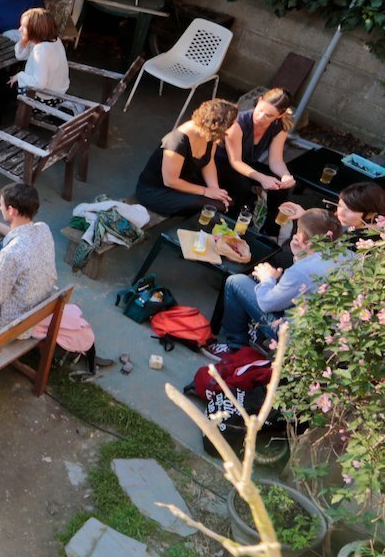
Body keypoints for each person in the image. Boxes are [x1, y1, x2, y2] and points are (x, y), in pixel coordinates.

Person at [206, 208, 343, 358]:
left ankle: (235, 347)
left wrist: (267, 279)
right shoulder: (347, 256)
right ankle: (255, 335)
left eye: (298, 231)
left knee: (236, 281)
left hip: (293, 334)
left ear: (304, 238)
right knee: (263, 280)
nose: (296, 234)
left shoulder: (302, 271)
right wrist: (298, 254)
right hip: (325, 331)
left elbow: (267, 303)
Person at [0, 182, 58, 328]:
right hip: (40, 307)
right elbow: (20, 234)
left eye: (1, 205)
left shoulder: (10, 255)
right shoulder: (43, 228)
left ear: (11, 210)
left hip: (12, 323)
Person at [133, 99, 238, 217]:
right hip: (158, 191)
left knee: (227, 202)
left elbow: (208, 162)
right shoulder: (177, 142)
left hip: (185, 182)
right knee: (216, 207)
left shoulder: (209, 135)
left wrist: (215, 189)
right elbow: (170, 181)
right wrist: (206, 191)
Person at [0, 7, 69, 123]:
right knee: (1, 81)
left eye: (24, 27)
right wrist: (25, 40)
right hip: (56, 95)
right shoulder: (52, 40)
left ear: (35, 29)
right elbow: (20, 55)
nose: (19, 29)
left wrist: (20, 76)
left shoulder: (41, 50)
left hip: (43, 100)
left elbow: (40, 83)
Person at [215, 89, 296, 234]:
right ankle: (230, 224)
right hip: (223, 163)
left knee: (280, 185)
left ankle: (271, 231)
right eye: (260, 110)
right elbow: (235, 161)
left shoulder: (279, 127)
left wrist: (285, 175)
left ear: (280, 115)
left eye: (269, 115)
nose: (261, 117)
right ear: (258, 101)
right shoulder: (238, 123)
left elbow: (276, 160)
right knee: (243, 185)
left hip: (246, 163)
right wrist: (262, 178)